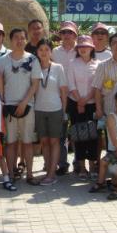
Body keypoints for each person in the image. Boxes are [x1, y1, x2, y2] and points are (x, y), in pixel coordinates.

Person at [0, 28, 42, 185]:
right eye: (16, 37)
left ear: (26, 40)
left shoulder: (33, 60)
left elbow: (35, 84)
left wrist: (24, 102)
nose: (20, 40)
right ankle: (10, 173)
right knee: (10, 143)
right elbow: (0, 83)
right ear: (10, 40)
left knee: (28, 142)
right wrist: (3, 103)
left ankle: (29, 174)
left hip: (27, 105)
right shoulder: (2, 61)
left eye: (22, 38)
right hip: (9, 107)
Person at [34, 39, 68, 185]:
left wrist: (64, 112)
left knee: (54, 141)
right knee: (44, 141)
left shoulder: (58, 68)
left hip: (55, 109)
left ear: (51, 52)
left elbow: (64, 91)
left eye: (46, 49)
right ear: (37, 52)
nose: (44, 52)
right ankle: (48, 171)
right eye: (41, 49)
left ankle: (52, 174)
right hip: (38, 109)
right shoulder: (34, 67)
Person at [66, 35, 100, 179]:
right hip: (75, 104)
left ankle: (92, 166)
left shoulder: (98, 64)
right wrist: (80, 101)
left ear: (92, 48)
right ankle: (81, 167)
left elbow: (97, 85)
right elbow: (70, 84)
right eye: (80, 47)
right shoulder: (72, 63)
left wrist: (85, 100)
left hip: (92, 104)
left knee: (92, 136)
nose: (83, 49)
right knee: (78, 136)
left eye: (86, 46)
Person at [52, 20, 78, 176]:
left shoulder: (81, 49)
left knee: (78, 132)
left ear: (75, 34)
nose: (67, 35)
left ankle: (78, 163)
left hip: (77, 97)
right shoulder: (54, 52)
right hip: (59, 97)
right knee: (60, 133)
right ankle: (62, 163)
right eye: (64, 32)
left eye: (70, 32)